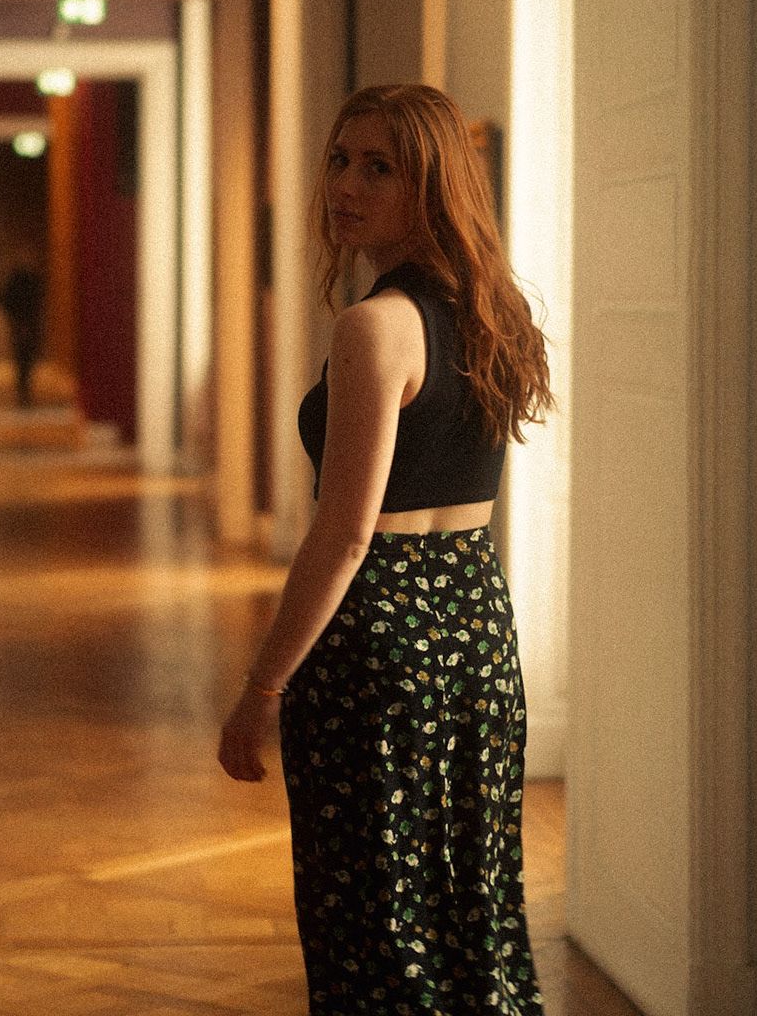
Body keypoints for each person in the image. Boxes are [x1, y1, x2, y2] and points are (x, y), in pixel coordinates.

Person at [218, 84, 554, 1014]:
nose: (345, 187)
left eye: (379, 169)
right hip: (477, 633)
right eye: (340, 160)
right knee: (473, 912)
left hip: (378, 650)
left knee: (376, 925)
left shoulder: (373, 327)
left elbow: (345, 532)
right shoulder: (495, 312)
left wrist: (261, 689)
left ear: (431, 187)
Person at [0, 261, 46, 407]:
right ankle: (24, 387)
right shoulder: (26, 280)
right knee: (25, 355)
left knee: (23, 355)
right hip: (26, 321)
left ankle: (23, 387)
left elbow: (5, 299)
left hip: (22, 321)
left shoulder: (22, 279)